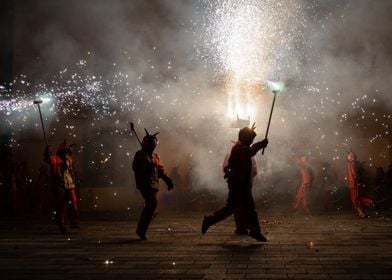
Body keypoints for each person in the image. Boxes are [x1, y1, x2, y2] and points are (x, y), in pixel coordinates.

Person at [201, 126, 268, 242]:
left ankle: (254, 231)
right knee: (243, 208)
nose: (251, 141)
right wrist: (261, 144)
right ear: (245, 138)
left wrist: (260, 144)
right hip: (239, 185)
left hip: (239, 184)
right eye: (251, 138)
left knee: (238, 208)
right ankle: (254, 231)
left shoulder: (240, 147)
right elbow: (250, 152)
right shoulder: (239, 148)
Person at [132, 129, 173, 240]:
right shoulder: (140, 154)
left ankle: (142, 228)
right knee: (152, 204)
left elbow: (160, 170)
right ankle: (141, 230)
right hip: (144, 183)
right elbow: (135, 168)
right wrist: (145, 167)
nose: (153, 145)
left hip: (153, 184)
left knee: (151, 205)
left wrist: (167, 180)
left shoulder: (155, 156)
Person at [44, 140, 79, 234]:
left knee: (74, 202)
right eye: (64, 151)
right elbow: (48, 159)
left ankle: (73, 222)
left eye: (66, 152)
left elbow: (71, 169)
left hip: (70, 184)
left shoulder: (68, 159)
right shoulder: (55, 158)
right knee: (61, 207)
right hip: (60, 186)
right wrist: (46, 151)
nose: (66, 153)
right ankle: (61, 224)